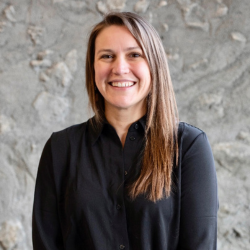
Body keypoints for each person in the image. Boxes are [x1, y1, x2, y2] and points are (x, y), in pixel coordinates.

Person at [32, 12, 218, 250]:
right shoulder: (60, 149)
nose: (119, 68)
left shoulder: (189, 146)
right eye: (107, 56)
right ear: (93, 67)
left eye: (134, 55)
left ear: (154, 64)